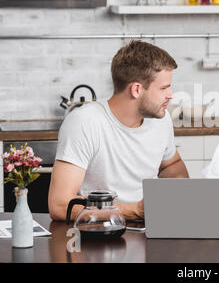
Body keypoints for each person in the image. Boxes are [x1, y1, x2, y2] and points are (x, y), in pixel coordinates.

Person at [48, 40, 189, 221]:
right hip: (101, 231)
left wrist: (177, 191)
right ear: (136, 89)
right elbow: (60, 205)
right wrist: (137, 210)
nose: (171, 94)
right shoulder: (84, 122)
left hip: (154, 227)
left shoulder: (161, 120)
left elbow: (171, 165)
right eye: (164, 88)